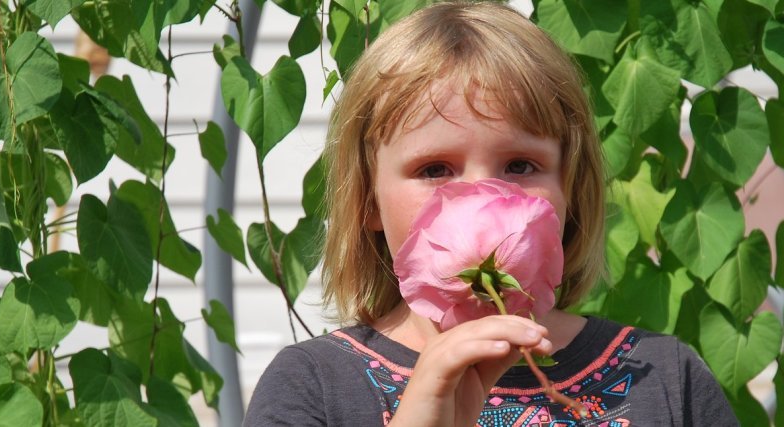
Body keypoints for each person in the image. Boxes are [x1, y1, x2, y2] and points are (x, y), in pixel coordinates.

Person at [245, 2, 736, 425]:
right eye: (435, 169)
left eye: (520, 165)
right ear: (370, 202)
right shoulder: (313, 388)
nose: (480, 195)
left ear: (570, 189)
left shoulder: (665, 377)